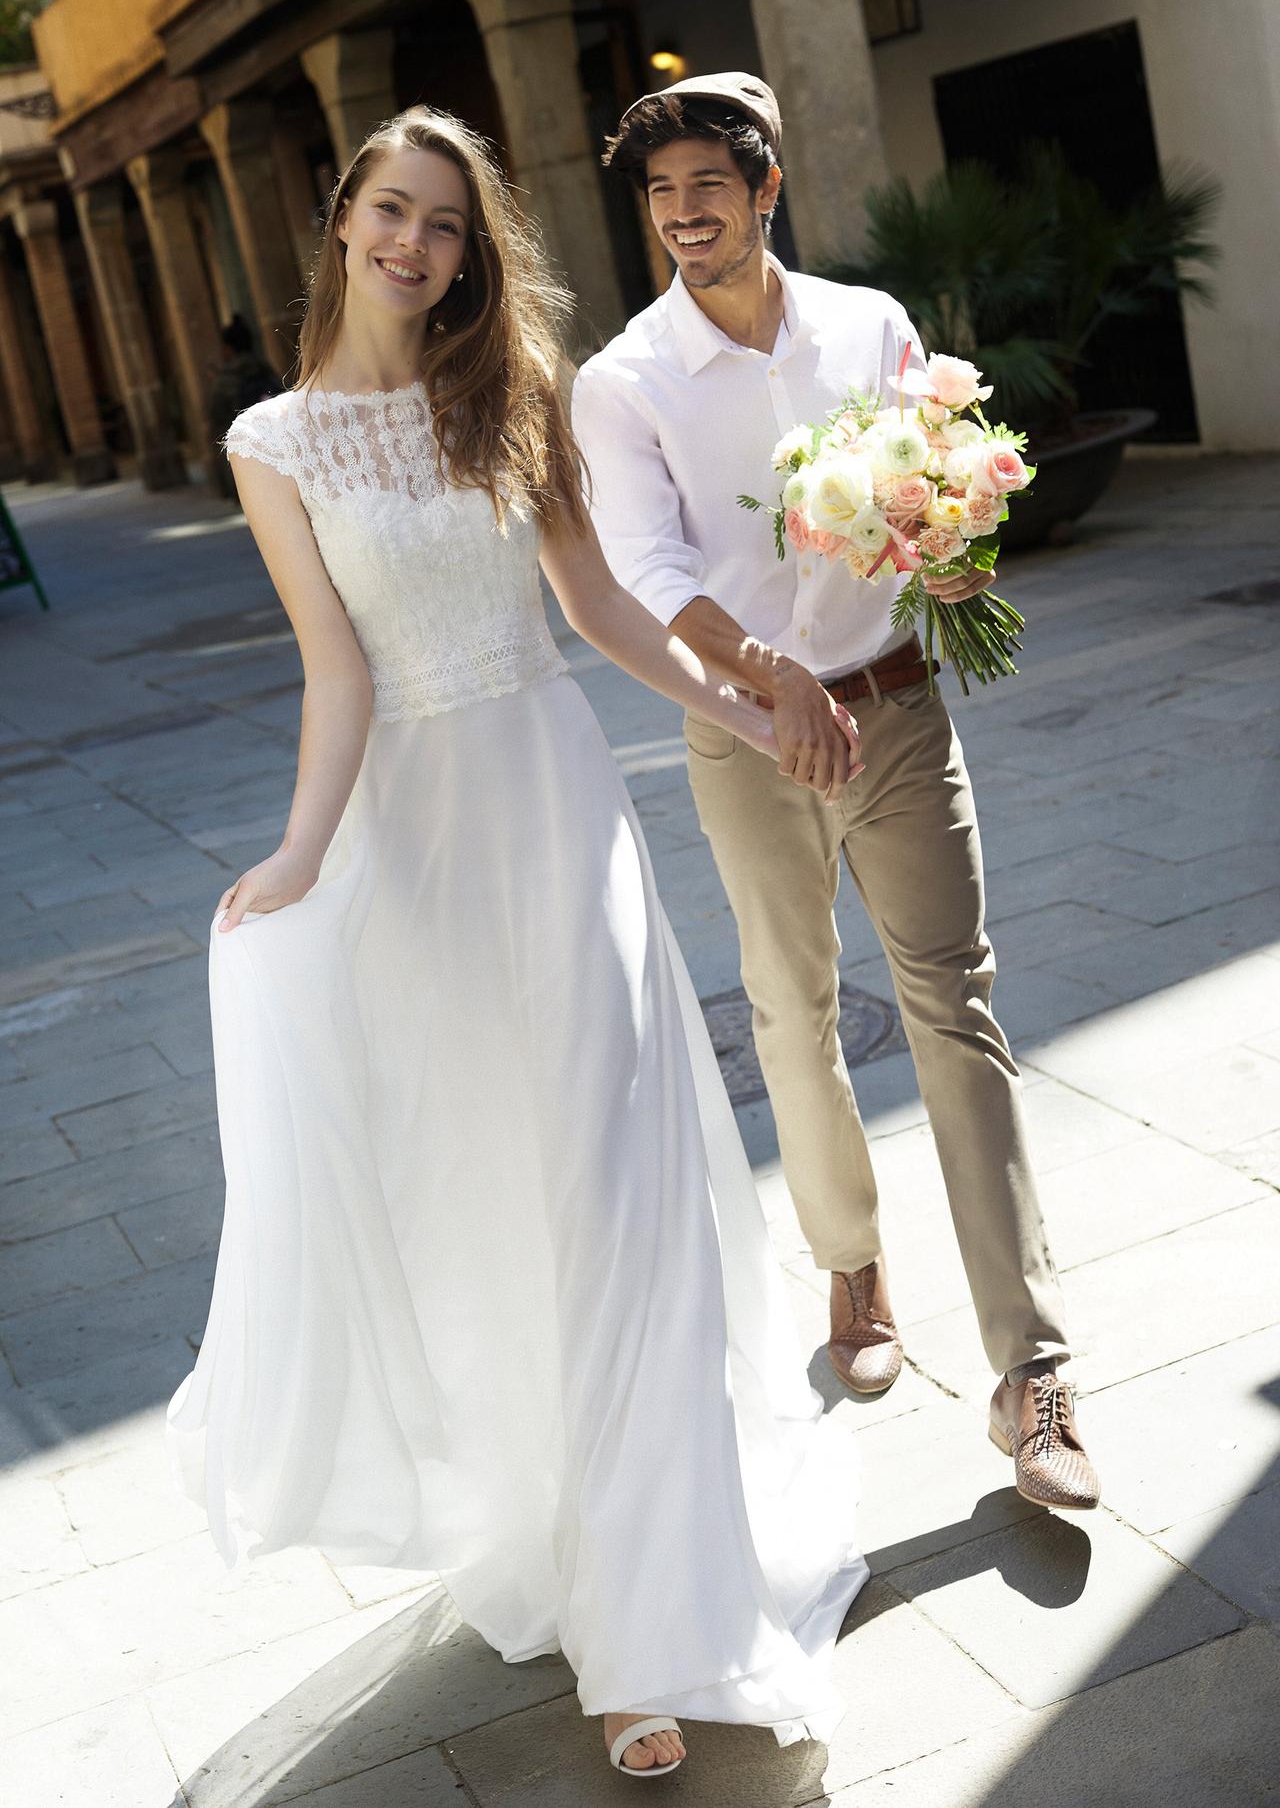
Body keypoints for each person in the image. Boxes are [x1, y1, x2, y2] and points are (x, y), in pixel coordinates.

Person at [166, 105, 871, 1781]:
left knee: (623, 1195)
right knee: (498, 1210)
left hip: (558, 823)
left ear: (473, 250)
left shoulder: (514, 395)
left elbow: (602, 609)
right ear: (342, 223)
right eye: (394, 213)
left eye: (450, 225)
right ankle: (570, 1543)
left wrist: (746, 706)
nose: (420, 245)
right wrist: (297, 856)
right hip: (416, 847)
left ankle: (648, 1633)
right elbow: (337, 673)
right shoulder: (273, 443)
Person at [573, 73, 1100, 1513]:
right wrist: (765, 676)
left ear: (767, 188)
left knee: (954, 1005)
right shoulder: (624, 381)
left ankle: (1031, 1366)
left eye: (708, 188)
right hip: (746, 738)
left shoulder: (871, 329)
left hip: (897, 718)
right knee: (790, 1007)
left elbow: (939, 480)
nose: (685, 216)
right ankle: (853, 1269)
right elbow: (645, 571)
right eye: (661, 195)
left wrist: (959, 549)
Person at [207, 314, 281, 501]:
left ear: (228, 349)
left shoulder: (225, 380)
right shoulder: (266, 371)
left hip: (246, 464)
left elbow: (218, 427)